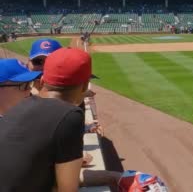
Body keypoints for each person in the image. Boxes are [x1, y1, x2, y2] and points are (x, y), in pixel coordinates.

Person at [0, 48, 120, 191]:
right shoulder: (70, 115)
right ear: (85, 85)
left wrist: (114, 176)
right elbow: (67, 189)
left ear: (43, 80)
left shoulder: (20, 107)